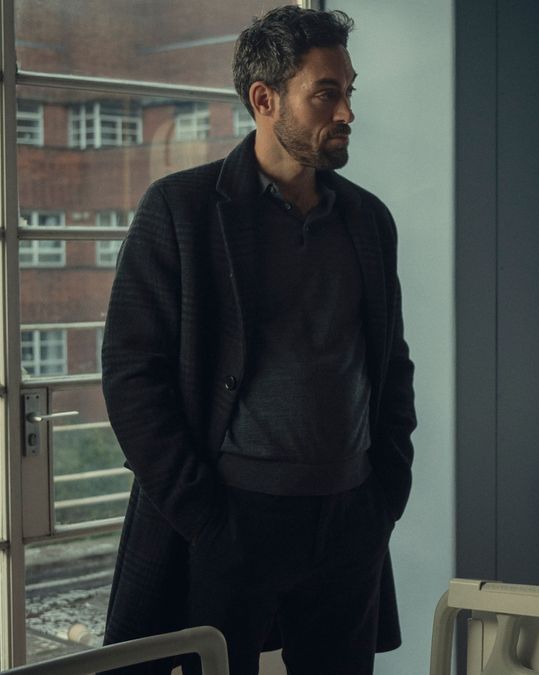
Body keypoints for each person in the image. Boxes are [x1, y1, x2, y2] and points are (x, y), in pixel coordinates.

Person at [100, 6, 416, 674]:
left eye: (348, 91)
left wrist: (386, 491)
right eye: (326, 93)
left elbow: (390, 362)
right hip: (231, 518)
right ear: (264, 100)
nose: (347, 112)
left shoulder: (366, 220)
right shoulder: (180, 210)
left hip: (350, 515)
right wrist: (207, 518)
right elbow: (132, 376)